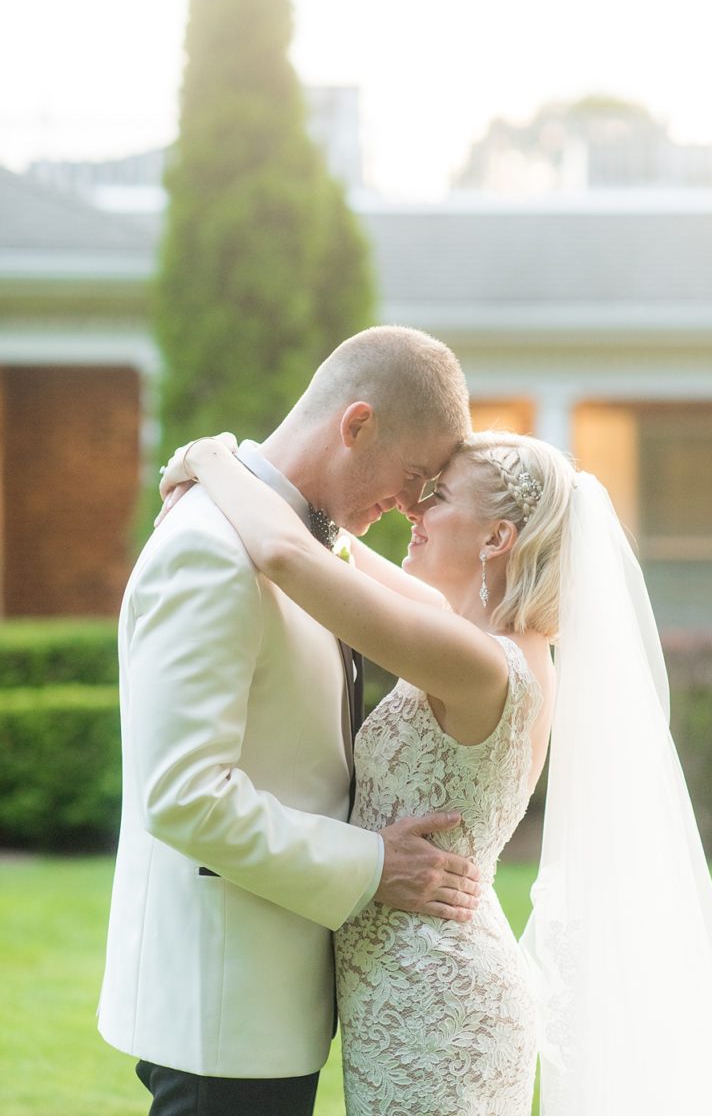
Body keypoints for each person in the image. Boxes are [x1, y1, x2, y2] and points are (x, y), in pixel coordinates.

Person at [159, 427, 712, 1116]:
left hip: (435, 996)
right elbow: (332, 547)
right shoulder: (479, 639)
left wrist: (212, 458)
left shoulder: (479, 663)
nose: (413, 511)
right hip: (410, 974)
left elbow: (285, 556)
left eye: (438, 497)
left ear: (495, 538)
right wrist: (255, 477)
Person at [97, 326, 484, 1116]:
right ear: (356, 425)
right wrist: (375, 864)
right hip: (223, 1004)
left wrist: (217, 456)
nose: (412, 506)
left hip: (269, 995)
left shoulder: (305, 540)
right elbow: (184, 796)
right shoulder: (209, 547)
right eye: (413, 476)